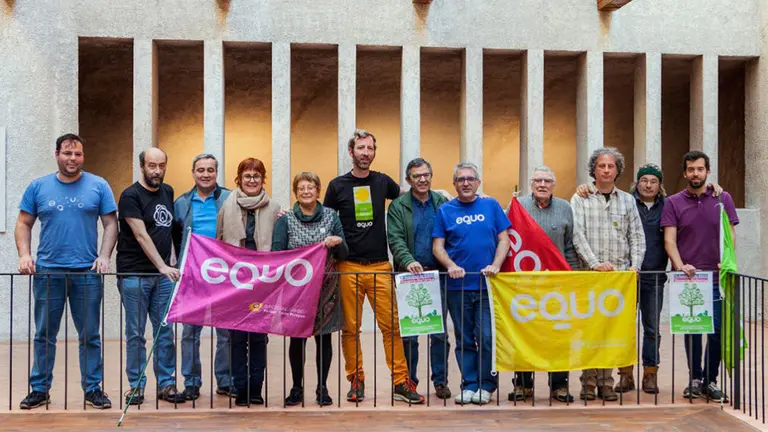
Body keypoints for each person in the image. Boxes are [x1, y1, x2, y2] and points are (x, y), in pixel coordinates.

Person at [16, 134, 117, 410]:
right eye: (68, 153)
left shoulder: (98, 185)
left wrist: (105, 256)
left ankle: (93, 389)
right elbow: (24, 223)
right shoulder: (38, 187)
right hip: (48, 272)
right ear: (57, 154)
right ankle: (39, 389)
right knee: (44, 333)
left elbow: (111, 224)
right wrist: (25, 255)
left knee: (90, 335)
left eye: (78, 154)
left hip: (86, 273)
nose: (73, 159)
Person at [323, 129, 424, 404]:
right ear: (351, 152)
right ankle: (356, 379)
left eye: (370, 148)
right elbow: (325, 219)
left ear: (374, 152)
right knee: (350, 329)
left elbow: (408, 196)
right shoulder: (336, 186)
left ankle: (401, 382)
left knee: (392, 326)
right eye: (360, 148)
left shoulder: (383, 182)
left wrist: (435, 193)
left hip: (380, 266)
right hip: (348, 266)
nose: (365, 153)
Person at [570, 147, 645, 402]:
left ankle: (607, 382)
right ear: (594, 169)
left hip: (619, 279)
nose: (605, 170)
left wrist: (635, 266)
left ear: (617, 170)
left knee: (612, 332)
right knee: (589, 331)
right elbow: (577, 236)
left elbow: (636, 236)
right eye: (601, 166)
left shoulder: (627, 200)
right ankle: (588, 383)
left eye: (610, 166)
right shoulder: (580, 198)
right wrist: (594, 263)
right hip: (590, 275)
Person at [662, 150, 738, 402]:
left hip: (717, 278)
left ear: (707, 171)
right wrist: (680, 265)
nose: (696, 173)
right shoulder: (673, 202)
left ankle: (711, 380)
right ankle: (695, 379)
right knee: (693, 329)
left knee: (716, 330)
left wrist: (727, 260)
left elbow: (730, 236)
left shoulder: (722, 198)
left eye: (700, 169)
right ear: (685, 173)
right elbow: (669, 240)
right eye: (691, 169)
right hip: (689, 279)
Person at [433, 162, 511, 405]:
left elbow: (504, 240)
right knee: (465, 339)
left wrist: (496, 265)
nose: (465, 183)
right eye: (460, 179)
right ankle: (469, 384)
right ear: (454, 184)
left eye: (470, 179)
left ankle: (486, 385)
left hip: (487, 286)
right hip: (458, 288)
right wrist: (451, 266)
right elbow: (438, 247)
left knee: (487, 337)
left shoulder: (491, 205)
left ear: (478, 182)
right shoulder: (445, 211)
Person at [272, 172, 348, 407]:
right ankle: (296, 387)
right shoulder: (285, 220)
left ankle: (322, 388)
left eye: (311, 187)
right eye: (302, 188)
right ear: (296, 192)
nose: (306, 191)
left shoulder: (331, 217)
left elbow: (345, 252)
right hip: (296, 291)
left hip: (326, 288)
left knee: (324, 341)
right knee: (297, 340)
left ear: (318, 190)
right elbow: (277, 254)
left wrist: (337, 242)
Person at [117, 147, 185, 406]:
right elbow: (141, 235)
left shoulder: (167, 191)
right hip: (134, 275)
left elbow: (169, 230)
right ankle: (136, 387)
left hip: (162, 278)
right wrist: (162, 266)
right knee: (135, 333)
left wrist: (174, 259)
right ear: (142, 166)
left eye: (161, 165)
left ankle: (166, 384)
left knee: (164, 331)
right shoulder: (130, 196)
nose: (157, 171)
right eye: (152, 166)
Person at [216, 157, 281, 407]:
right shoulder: (226, 205)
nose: (252, 180)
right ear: (239, 179)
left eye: (256, 175)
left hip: (263, 284)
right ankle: (240, 388)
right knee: (236, 338)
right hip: (235, 283)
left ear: (262, 179)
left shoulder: (274, 208)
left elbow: (279, 245)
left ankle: (256, 388)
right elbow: (219, 241)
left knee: (257, 339)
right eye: (247, 176)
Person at [511, 166, 578, 404]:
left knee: (558, 336)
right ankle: (523, 384)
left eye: (547, 181)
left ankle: (559, 385)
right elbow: (509, 243)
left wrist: (573, 278)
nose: (542, 184)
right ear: (531, 183)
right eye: (537, 180)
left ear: (554, 184)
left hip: (557, 284)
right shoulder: (517, 207)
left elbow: (570, 246)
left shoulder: (565, 208)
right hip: (525, 285)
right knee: (524, 334)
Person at [387, 158, 452, 400]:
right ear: (408, 180)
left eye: (426, 175)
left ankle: (440, 380)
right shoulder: (398, 206)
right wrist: (407, 260)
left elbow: (452, 232)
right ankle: (409, 381)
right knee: (410, 335)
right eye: (417, 176)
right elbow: (395, 239)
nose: (422, 179)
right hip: (409, 276)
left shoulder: (442, 202)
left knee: (439, 332)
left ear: (431, 175)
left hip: (438, 275)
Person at [172, 154, 233, 400]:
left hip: (223, 275)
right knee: (190, 332)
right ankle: (192, 382)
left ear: (216, 172)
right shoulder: (182, 202)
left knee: (226, 331)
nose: (205, 174)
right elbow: (173, 237)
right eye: (200, 170)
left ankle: (225, 380)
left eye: (210, 170)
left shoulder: (229, 198)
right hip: (192, 276)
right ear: (193, 172)